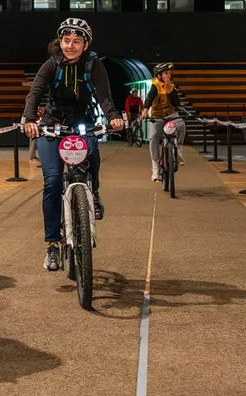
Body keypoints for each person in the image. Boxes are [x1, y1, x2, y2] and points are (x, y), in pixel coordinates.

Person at [22, 18, 124, 272]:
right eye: (66, 41)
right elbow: (35, 92)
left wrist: (113, 116)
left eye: (76, 41)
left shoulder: (93, 65)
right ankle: (52, 246)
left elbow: (103, 95)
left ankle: (95, 193)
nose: (70, 46)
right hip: (52, 126)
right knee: (53, 182)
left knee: (93, 153)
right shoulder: (51, 64)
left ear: (85, 44)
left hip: (82, 123)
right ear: (61, 42)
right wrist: (28, 119)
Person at [140, 62, 186, 182]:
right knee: (154, 136)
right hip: (157, 116)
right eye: (166, 73)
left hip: (171, 114)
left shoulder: (171, 86)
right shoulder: (155, 86)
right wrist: (145, 110)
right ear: (159, 75)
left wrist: (169, 89)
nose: (168, 76)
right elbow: (149, 99)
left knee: (181, 125)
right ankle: (155, 168)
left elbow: (176, 103)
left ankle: (179, 150)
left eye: (169, 73)